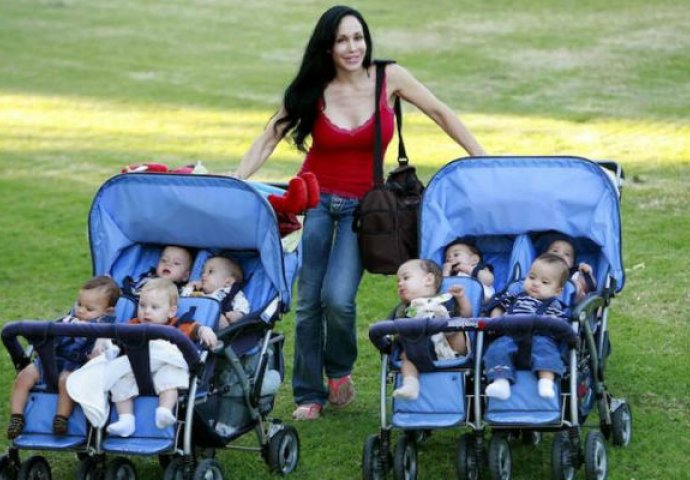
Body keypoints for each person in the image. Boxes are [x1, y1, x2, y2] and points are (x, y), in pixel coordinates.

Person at [234, 5, 486, 421]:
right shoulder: (314, 86)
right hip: (314, 201)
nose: (352, 47)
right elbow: (270, 135)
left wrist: (483, 158)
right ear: (327, 48)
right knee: (309, 302)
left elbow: (441, 112)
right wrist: (236, 179)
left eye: (358, 37)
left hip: (363, 210)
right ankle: (308, 394)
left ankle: (339, 371)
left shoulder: (389, 77)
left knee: (338, 299)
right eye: (342, 40)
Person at [7, 276, 120, 439]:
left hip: (75, 365)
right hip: (49, 360)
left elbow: (105, 346)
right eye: (79, 304)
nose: (81, 310)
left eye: (89, 309)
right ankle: (17, 417)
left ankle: (61, 418)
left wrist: (100, 345)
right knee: (24, 376)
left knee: (66, 381)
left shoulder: (104, 327)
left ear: (107, 311)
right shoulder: (69, 319)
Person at [106, 278, 217, 437]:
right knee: (120, 383)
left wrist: (204, 330)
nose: (146, 311)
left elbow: (196, 329)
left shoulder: (178, 325)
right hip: (137, 369)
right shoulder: (133, 325)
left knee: (171, 376)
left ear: (171, 311)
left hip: (164, 365)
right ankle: (126, 420)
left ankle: (164, 410)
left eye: (154, 307)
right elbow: (116, 337)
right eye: (142, 306)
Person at [484, 253, 569, 400]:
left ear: (557, 291)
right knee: (497, 349)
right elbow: (497, 304)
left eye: (544, 282)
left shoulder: (554, 305)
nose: (535, 283)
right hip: (510, 335)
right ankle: (501, 382)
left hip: (539, 337)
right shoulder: (514, 297)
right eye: (531, 277)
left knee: (547, 350)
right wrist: (496, 318)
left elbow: (560, 325)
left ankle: (546, 381)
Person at [392, 259, 472, 400]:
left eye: (406, 278)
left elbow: (467, 316)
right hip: (421, 351)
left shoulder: (446, 299)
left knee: (456, 324)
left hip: (452, 348)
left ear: (428, 279)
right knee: (406, 356)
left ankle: (445, 326)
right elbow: (389, 329)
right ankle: (411, 384)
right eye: (398, 281)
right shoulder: (403, 309)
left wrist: (461, 298)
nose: (399, 283)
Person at [182, 255, 250, 328]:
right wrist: (189, 287)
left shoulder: (231, 292)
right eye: (202, 272)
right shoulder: (198, 292)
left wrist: (239, 314)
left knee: (221, 319)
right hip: (193, 320)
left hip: (215, 322)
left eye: (210, 271)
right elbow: (183, 301)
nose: (203, 275)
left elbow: (242, 304)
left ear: (228, 282)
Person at [122, 245, 193, 297]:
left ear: (185, 276)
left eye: (176, 263)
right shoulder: (147, 277)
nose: (168, 264)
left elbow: (186, 298)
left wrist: (190, 286)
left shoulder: (178, 289)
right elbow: (133, 287)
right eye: (164, 260)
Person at [544, 235, 597, 303]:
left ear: (572, 262)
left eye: (567, 254)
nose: (560, 255)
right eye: (555, 251)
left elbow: (592, 287)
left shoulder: (574, 275)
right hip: (538, 301)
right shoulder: (541, 268)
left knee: (576, 285)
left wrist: (587, 274)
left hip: (564, 304)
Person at [442, 237, 495, 302]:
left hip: (486, 302)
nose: (450, 259)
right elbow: (443, 289)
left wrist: (469, 269)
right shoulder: (452, 276)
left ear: (474, 260)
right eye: (447, 260)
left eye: (456, 255)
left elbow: (489, 280)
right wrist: (446, 272)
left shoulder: (479, 268)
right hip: (459, 304)